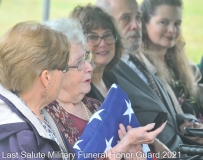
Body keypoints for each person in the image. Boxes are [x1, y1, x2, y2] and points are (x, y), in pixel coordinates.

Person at [44, 18, 166, 159]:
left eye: (86, 58)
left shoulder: (97, 106)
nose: (90, 67)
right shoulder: (44, 120)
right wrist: (121, 147)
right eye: (79, 63)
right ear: (55, 72)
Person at [95, 0, 203, 151]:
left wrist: (187, 123)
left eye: (138, 18)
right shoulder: (106, 71)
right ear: (105, 24)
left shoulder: (136, 58)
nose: (136, 25)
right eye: (126, 18)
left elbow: (164, 109)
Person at [0, 21, 76, 159]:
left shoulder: (4, 106)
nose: (64, 74)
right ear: (46, 77)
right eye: (63, 68)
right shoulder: (22, 141)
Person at [70, 4, 170, 155]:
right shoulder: (80, 88)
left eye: (108, 35)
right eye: (93, 37)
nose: (102, 43)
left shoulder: (112, 78)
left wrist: (154, 143)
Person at [140, 0, 203, 125]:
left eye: (177, 23)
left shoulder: (177, 59)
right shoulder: (142, 68)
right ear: (144, 23)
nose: (172, 30)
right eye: (164, 22)